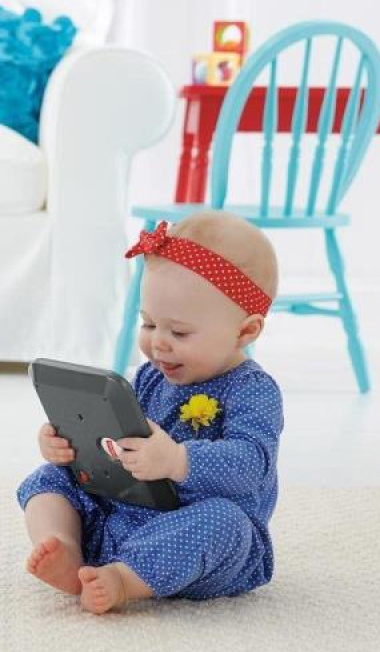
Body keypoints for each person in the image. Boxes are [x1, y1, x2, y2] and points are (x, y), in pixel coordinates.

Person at [17, 210, 283, 614]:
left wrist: (178, 461)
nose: (158, 343)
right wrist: (70, 444)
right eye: (149, 324)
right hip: (124, 517)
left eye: (179, 332)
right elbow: (117, 441)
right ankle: (66, 548)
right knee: (48, 477)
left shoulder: (253, 390)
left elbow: (252, 465)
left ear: (245, 331)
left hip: (197, 540)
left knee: (226, 523)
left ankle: (124, 579)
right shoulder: (150, 377)